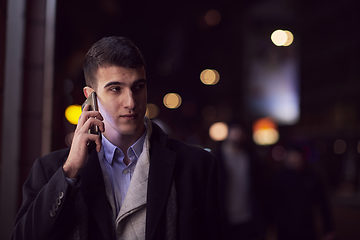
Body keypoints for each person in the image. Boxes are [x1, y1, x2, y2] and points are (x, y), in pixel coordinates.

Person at [11, 36, 222, 240]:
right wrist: (70, 171)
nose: (130, 101)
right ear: (90, 96)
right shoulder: (51, 169)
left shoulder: (196, 165)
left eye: (138, 87)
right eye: (115, 89)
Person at [215, 123, 267, 240]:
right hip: (225, 215)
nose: (237, 135)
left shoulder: (249, 156)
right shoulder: (217, 157)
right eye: (234, 132)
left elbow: (258, 185)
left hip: (248, 214)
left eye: (240, 132)